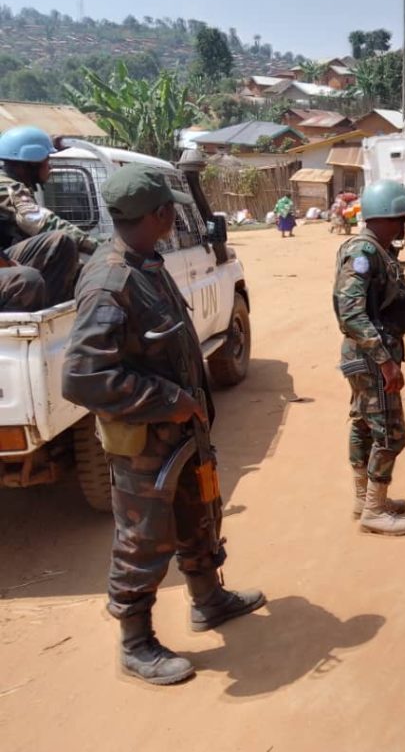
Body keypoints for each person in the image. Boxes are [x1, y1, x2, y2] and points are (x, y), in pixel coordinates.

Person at [61, 164, 265, 686]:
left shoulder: (146, 261)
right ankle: (135, 642)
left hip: (179, 436)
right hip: (145, 443)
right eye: (170, 209)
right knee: (144, 538)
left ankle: (208, 599)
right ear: (160, 213)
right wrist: (166, 399)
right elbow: (84, 378)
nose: (174, 216)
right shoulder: (111, 280)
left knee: (198, 512)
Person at [334, 179, 405, 536]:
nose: (404, 225)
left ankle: (366, 500)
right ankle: (373, 509)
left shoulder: (377, 250)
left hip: (367, 353)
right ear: (384, 217)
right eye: (400, 218)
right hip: (371, 356)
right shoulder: (364, 252)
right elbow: (350, 311)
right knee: (390, 432)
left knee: (364, 425)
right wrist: (385, 361)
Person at [0, 125, 99, 311]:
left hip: (5, 258)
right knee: (59, 241)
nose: (50, 166)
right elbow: (44, 223)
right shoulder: (8, 188)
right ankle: (48, 314)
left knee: (78, 270)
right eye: (47, 160)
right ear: (31, 164)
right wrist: (98, 246)